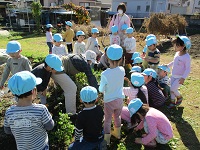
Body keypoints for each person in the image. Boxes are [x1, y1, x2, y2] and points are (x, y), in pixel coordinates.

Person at [4, 71, 54, 150]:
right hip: (41, 147)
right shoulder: (41, 109)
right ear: (34, 90)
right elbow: (50, 126)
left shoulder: (9, 112)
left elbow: (7, 130)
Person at [99, 44, 125, 145]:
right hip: (119, 99)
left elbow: (101, 89)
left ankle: (107, 139)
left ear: (107, 57)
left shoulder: (105, 74)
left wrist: (103, 88)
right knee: (117, 116)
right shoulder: (122, 70)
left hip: (109, 100)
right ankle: (117, 134)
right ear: (121, 58)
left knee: (107, 120)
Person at [167, 36, 191, 108]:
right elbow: (174, 62)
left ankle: (179, 97)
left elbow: (188, 69)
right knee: (171, 89)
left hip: (179, 77)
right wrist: (167, 65)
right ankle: (172, 102)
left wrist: (183, 78)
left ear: (183, 46)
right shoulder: (177, 54)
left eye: (177, 45)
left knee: (173, 89)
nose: (175, 46)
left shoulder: (186, 57)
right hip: (173, 75)